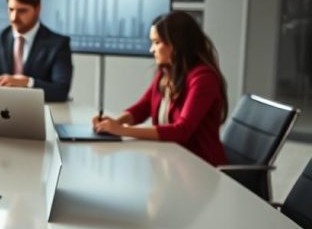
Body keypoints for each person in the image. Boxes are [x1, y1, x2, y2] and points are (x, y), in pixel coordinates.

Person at [92, 11, 228, 166]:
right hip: (174, 161)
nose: (151, 49)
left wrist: (121, 130)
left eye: (157, 42)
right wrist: (114, 122)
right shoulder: (166, 72)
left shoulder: (203, 78)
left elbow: (181, 131)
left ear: (176, 44)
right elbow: (143, 107)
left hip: (201, 166)